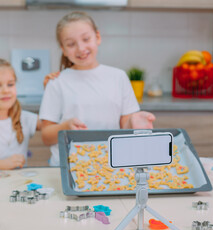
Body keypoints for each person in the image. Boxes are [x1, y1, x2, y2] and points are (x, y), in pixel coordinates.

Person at [39, 11, 155, 166]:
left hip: (111, 164)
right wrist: (65, 127)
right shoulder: (57, 82)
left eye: (86, 39)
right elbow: (46, 137)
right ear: (63, 49)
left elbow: (124, 126)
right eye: (71, 44)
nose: (80, 48)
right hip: (68, 166)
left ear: (98, 37)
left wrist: (134, 121)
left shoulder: (118, 77)